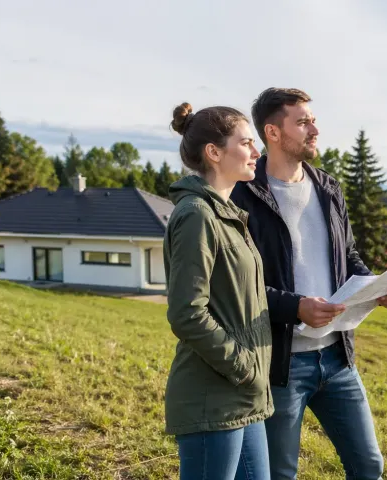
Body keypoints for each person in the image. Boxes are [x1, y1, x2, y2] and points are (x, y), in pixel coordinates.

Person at [231, 88, 387, 480]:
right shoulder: (243, 194)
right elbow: (240, 284)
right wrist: (295, 307)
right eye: (304, 121)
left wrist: (377, 286)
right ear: (272, 132)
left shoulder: (328, 187)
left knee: (368, 465)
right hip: (281, 365)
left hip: (338, 359)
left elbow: (348, 256)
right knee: (279, 473)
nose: (315, 129)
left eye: (313, 120)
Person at [163, 102, 273, 479]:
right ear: (214, 152)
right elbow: (186, 312)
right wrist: (243, 366)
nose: (257, 152)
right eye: (246, 142)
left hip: (244, 395)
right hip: (215, 397)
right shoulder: (197, 215)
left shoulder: (227, 214)